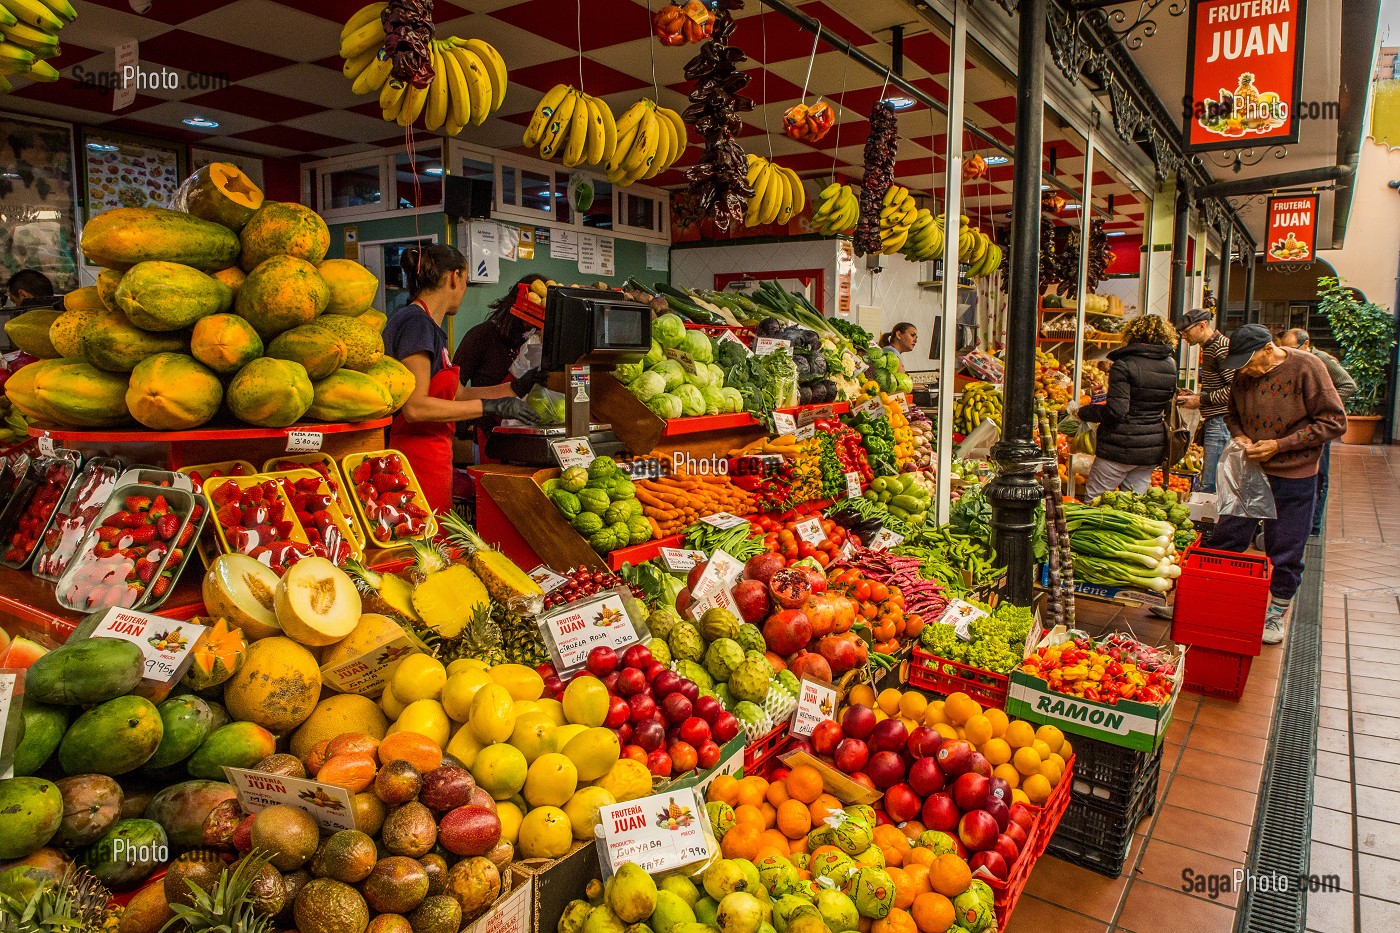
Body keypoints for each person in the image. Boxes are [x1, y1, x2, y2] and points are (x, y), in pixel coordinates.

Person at [1209, 324, 1346, 644]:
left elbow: (1335, 421)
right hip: (1252, 471)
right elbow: (1231, 414)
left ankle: (1276, 612)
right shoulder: (1244, 373)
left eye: (1251, 363)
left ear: (1269, 349)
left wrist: (1280, 445)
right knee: (1227, 535)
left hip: (1294, 474)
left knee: (1286, 547)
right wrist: (1240, 435)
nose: (1247, 372)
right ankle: (1208, 594)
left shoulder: (1308, 368)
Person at [382, 245, 540, 513]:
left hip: (434, 456)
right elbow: (415, 407)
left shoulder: (430, 327)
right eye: (466, 281)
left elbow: (459, 394)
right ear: (454, 277)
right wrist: (490, 408)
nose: (464, 290)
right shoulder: (416, 324)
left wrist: (517, 386)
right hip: (415, 460)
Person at [1077, 314, 1180, 498]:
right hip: (1150, 449)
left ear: (1132, 334)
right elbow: (1162, 404)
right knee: (1133, 504)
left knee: (1094, 502)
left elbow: (1116, 411)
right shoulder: (1170, 365)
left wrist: (1084, 412)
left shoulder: (1124, 365)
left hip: (1119, 447)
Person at [453, 274, 549, 441]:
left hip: (531, 433)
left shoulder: (539, 341)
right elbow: (452, 392)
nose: (533, 327)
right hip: (490, 433)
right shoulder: (481, 336)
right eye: (531, 319)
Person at [1280, 328, 1356, 537]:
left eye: (1291, 348)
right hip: (1302, 427)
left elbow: (1349, 386)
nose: (1288, 352)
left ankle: (1314, 525)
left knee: (1319, 474)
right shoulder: (1296, 361)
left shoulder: (1321, 359)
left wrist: (1322, 404)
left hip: (1320, 424)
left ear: (1306, 345)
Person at [1175, 308, 1234, 493]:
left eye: (1186, 331)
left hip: (1221, 421)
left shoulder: (1220, 348)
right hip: (1216, 420)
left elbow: (1234, 390)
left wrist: (1201, 400)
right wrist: (1195, 394)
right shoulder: (1210, 348)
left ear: (1202, 326)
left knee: (1210, 482)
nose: (1184, 336)